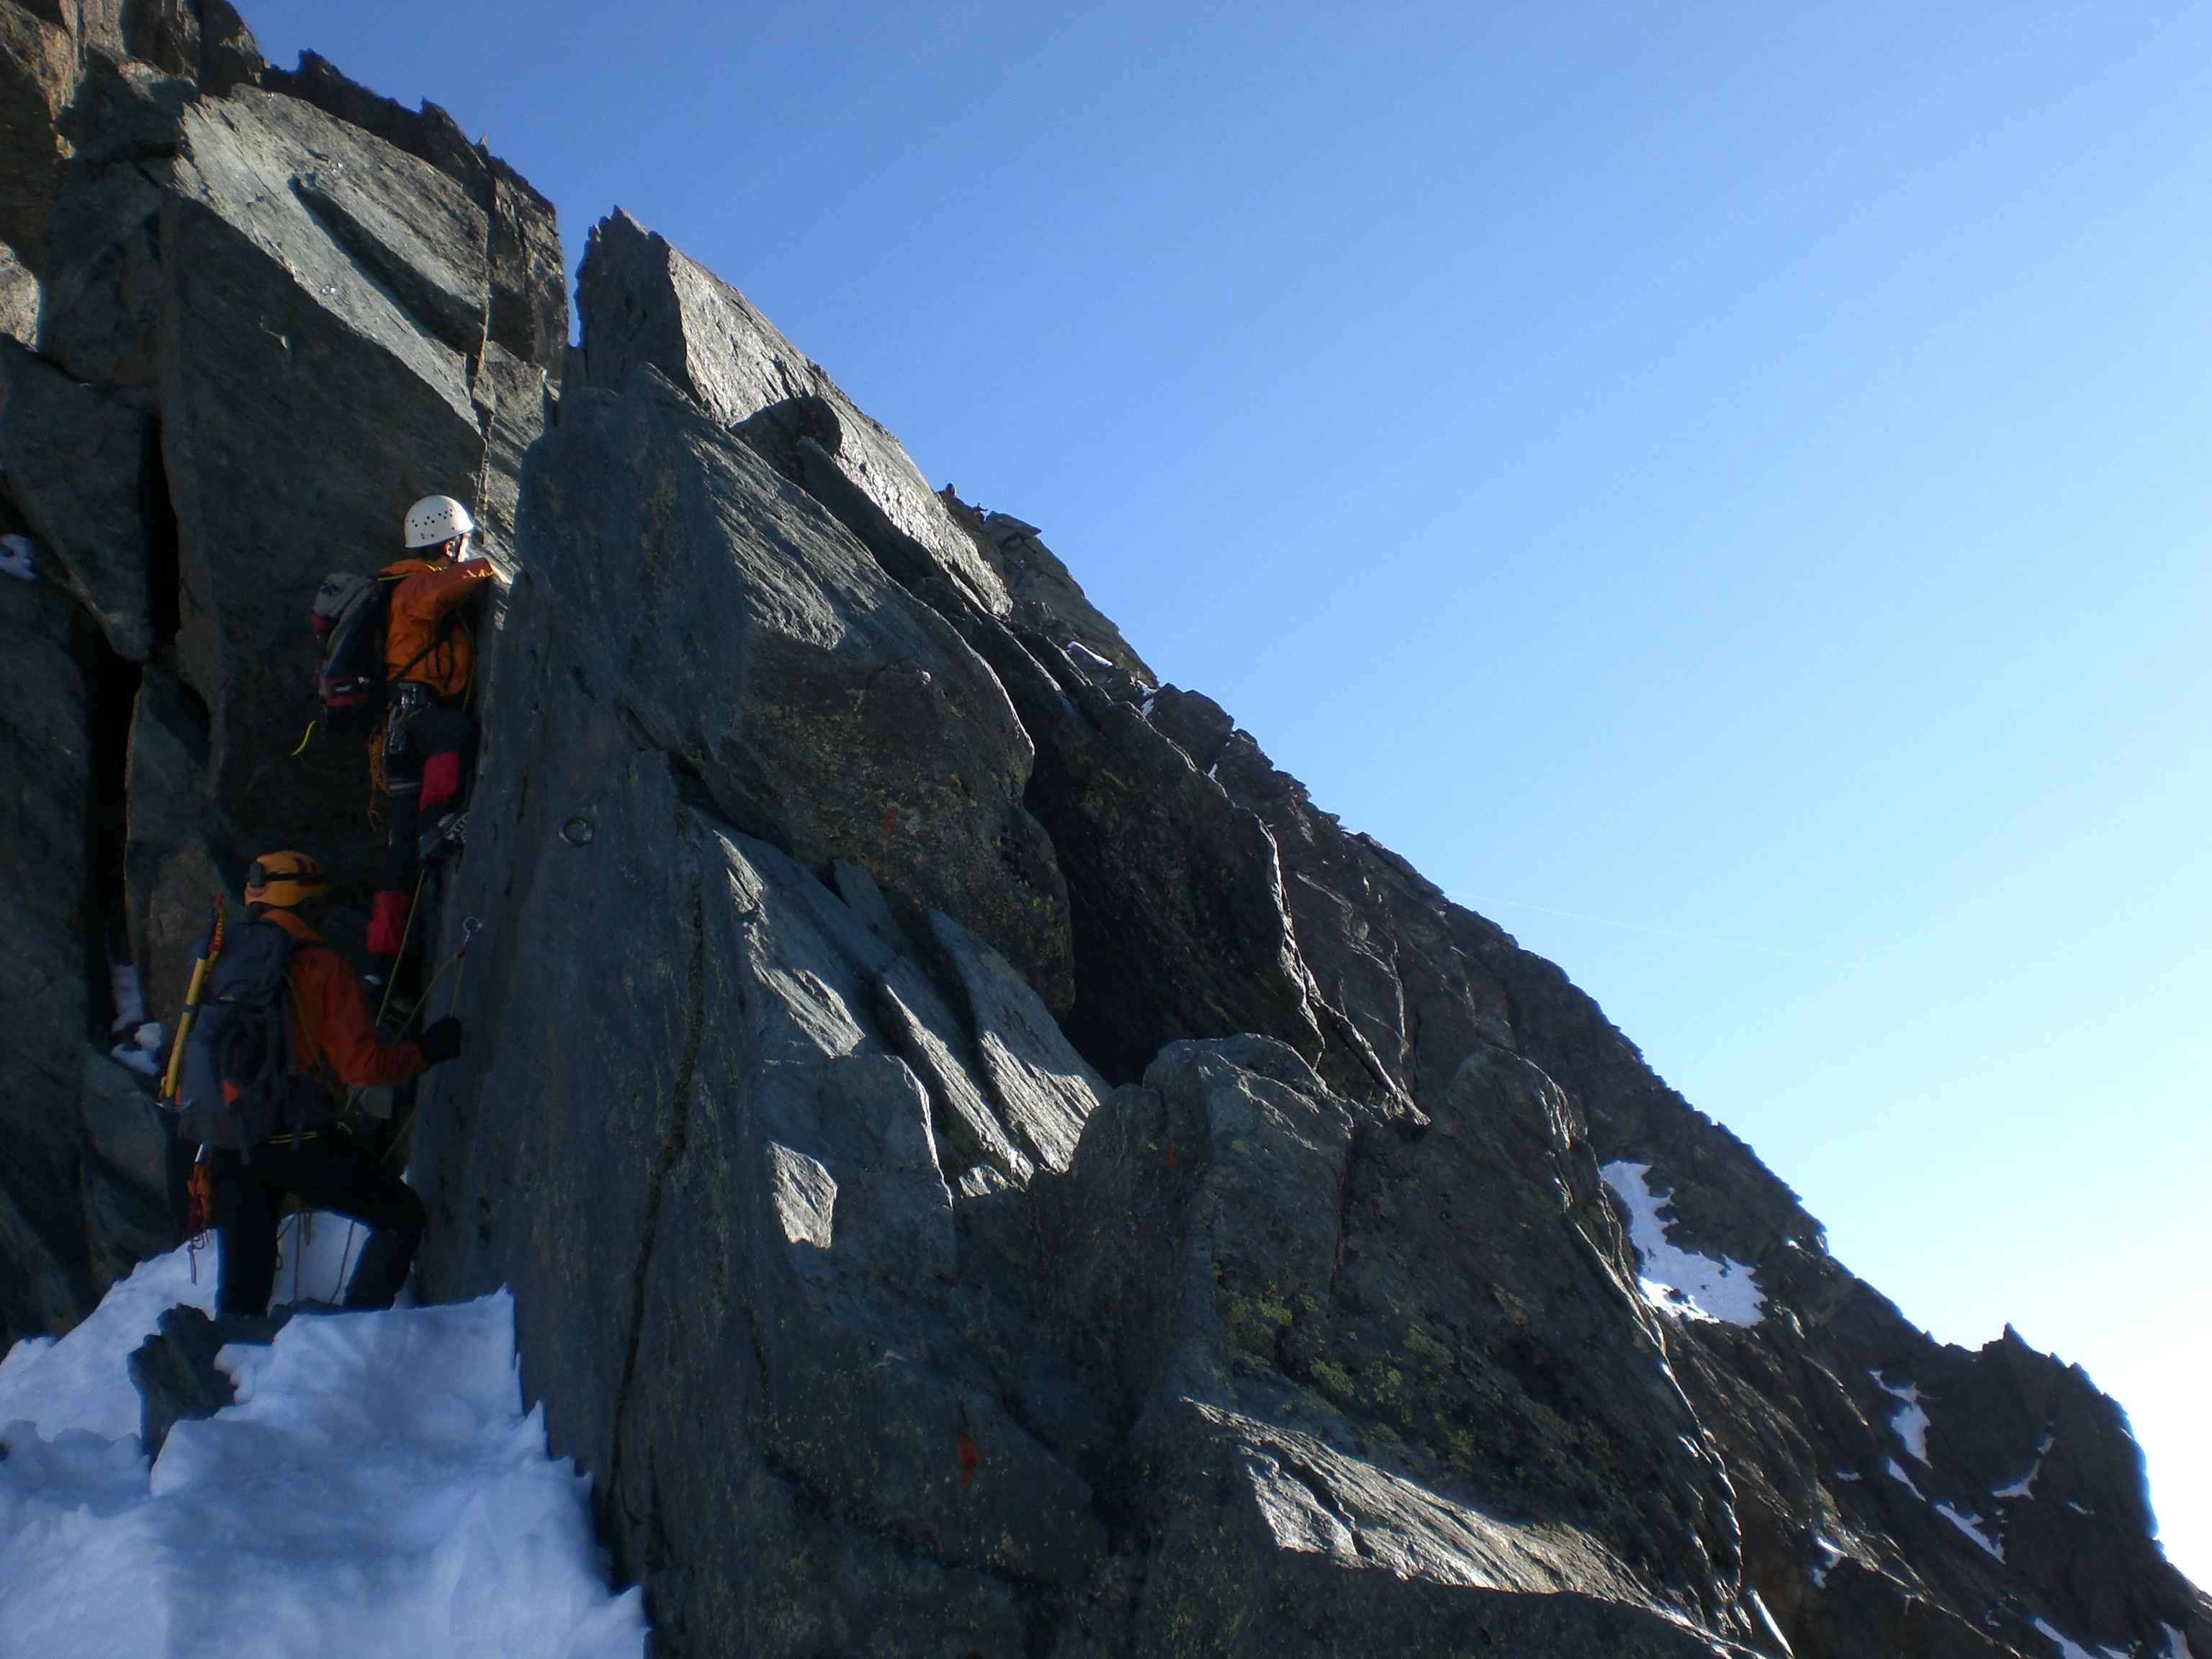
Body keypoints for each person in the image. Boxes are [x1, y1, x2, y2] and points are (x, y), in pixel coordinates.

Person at [210, 851, 463, 1316]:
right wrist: (427, 1051)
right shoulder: (320, 965)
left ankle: (225, 1377)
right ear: (303, 903)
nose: (322, 912)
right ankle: (352, 1335)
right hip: (298, 1141)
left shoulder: (219, 957)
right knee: (401, 1217)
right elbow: (362, 1066)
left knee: (241, 1299)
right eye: (317, 902)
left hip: (228, 1143)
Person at [365, 495, 498, 974]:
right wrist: (486, 568)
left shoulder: (395, 584)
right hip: (419, 723)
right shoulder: (414, 584)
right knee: (456, 731)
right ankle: (438, 821)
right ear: (449, 544)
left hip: (397, 734)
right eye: (461, 543)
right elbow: (437, 595)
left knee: (399, 859)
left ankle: (380, 969)